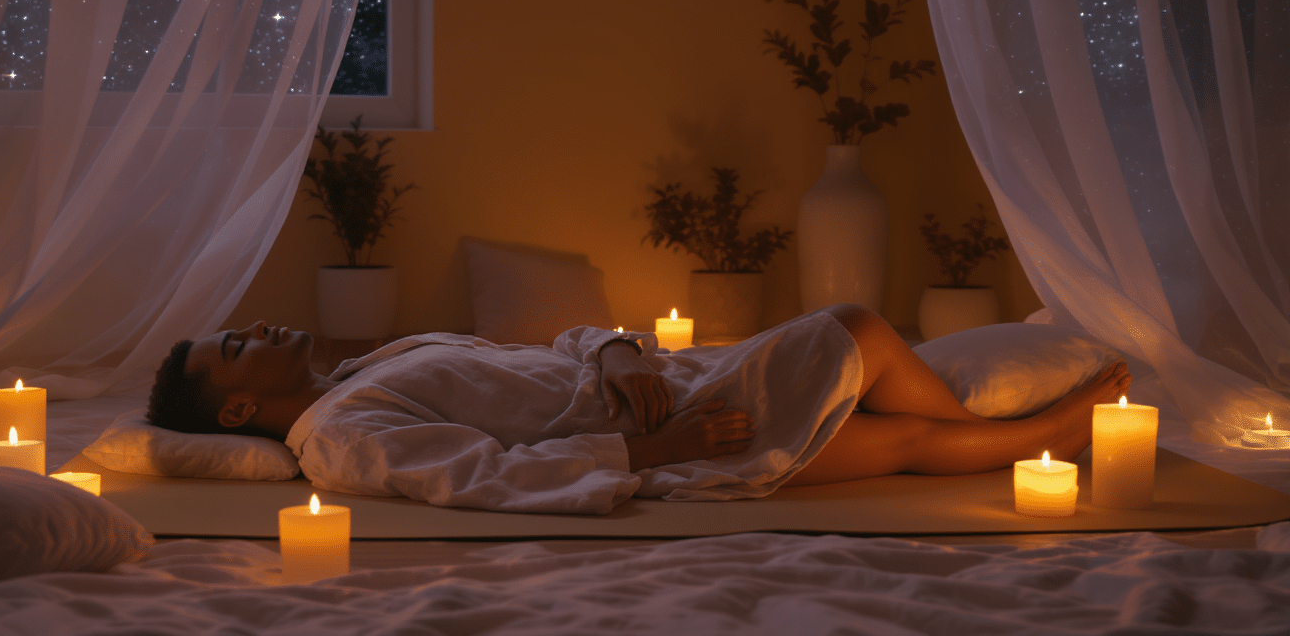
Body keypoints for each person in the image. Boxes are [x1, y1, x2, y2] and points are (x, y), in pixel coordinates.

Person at [148, 304, 1129, 514]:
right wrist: (650, 443)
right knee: (858, 334)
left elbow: (557, 343)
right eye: (238, 346)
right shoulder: (340, 438)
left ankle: (1021, 435)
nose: (262, 328)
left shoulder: (380, 356)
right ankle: (1037, 436)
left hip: (664, 388)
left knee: (876, 409)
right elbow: (484, 477)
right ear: (237, 408)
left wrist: (618, 357)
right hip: (661, 438)